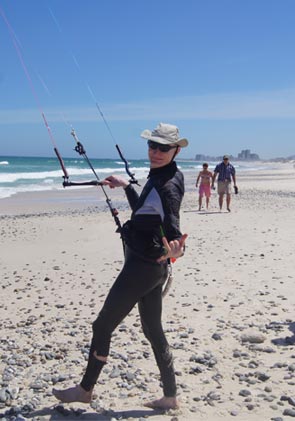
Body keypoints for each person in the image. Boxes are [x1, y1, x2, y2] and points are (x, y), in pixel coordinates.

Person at [52, 123, 188, 410]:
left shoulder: (166, 185)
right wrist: (127, 187)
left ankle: (85, 389)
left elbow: (171, 219)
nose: (156, 151)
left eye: (164, 147)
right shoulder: (167, 174)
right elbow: (145, 210)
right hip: (153, 266)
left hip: (142, 266)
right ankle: (170, 396)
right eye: (153, 145)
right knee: (152, 328)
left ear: (176, 149)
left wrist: (176, 244)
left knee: (102, 325)